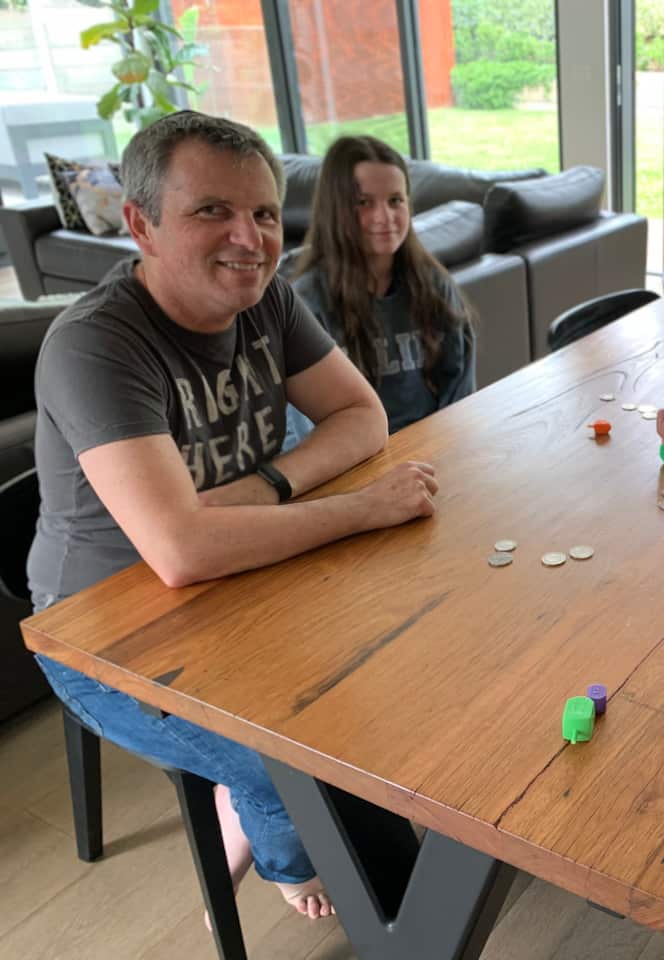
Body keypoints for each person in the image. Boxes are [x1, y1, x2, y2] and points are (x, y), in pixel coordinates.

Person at [27, 112, 440, 922]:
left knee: (414, 663)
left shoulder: (268, 300)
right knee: (321, 760)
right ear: (140, 223)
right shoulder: (95, 344)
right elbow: (179, 550)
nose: (249, 238)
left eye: (261, 213)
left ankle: (282, 819)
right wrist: (358, 510)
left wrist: (267, 488)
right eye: (211, 210)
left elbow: (362, 417)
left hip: (241, 576)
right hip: (105, 636)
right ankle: (302, 859)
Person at [284, 135, 474, 445]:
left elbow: (460, 392)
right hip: (349, 466)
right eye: (364, 203)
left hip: (433, 449)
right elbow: (303, 430)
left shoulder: (435, 285)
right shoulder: (305, 304)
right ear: (337, 209)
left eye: (395, 200)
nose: (383, 217)